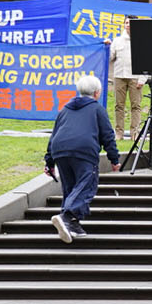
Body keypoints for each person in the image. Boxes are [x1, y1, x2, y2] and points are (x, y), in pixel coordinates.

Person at [44, 74, 120, 242]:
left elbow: (54, 134)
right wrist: (114, 159)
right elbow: (108, 136)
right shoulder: (97, 109)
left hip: (60, 150)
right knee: (87, 185)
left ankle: (73, 225)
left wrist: (49, 162)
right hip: (84, 150)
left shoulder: (65, 109)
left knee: (71, 189)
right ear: (97, 92)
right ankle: (66, 217)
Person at [108, 19, 146, 141]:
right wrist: (106, 46)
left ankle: (135, 133)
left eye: (131, 23)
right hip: (119, 76)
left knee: (136, 106)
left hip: (135, 77)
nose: (128, 25)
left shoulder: (141, 41)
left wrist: (142, 79)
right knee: (119, 106)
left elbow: (145, 61)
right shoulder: (117, 40)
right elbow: (110, 57)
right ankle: (119, 133)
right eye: (126, 23)